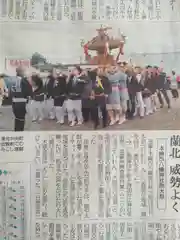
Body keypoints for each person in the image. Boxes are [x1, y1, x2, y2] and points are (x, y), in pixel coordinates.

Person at [11, 67, 33, 131]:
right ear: (21, 72)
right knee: (21, 119)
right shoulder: (24, 81)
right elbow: (29, 92)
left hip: (14, 103)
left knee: (17, 118)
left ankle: (16, 131)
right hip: (22, 103)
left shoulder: (13, 80)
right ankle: (20, 132)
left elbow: (11, 91)